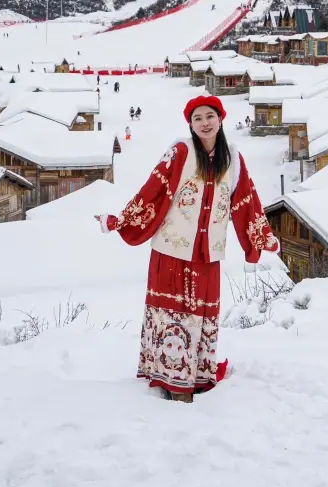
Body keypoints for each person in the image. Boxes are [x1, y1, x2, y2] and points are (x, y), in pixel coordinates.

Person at [96, 96, 279, 403]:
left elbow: (247, 201)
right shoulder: (180, 152)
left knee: (200, 315)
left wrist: (260, 237)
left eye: (210, 116)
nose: (205, 123)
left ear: (220, 119)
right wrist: (123, 220)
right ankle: (170, 382)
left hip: (208, 256)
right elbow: (153, 191)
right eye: (198, 118)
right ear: (190, 124)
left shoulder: (233, 158)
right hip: (172, 252)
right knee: (172, 314)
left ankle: (195, 377)